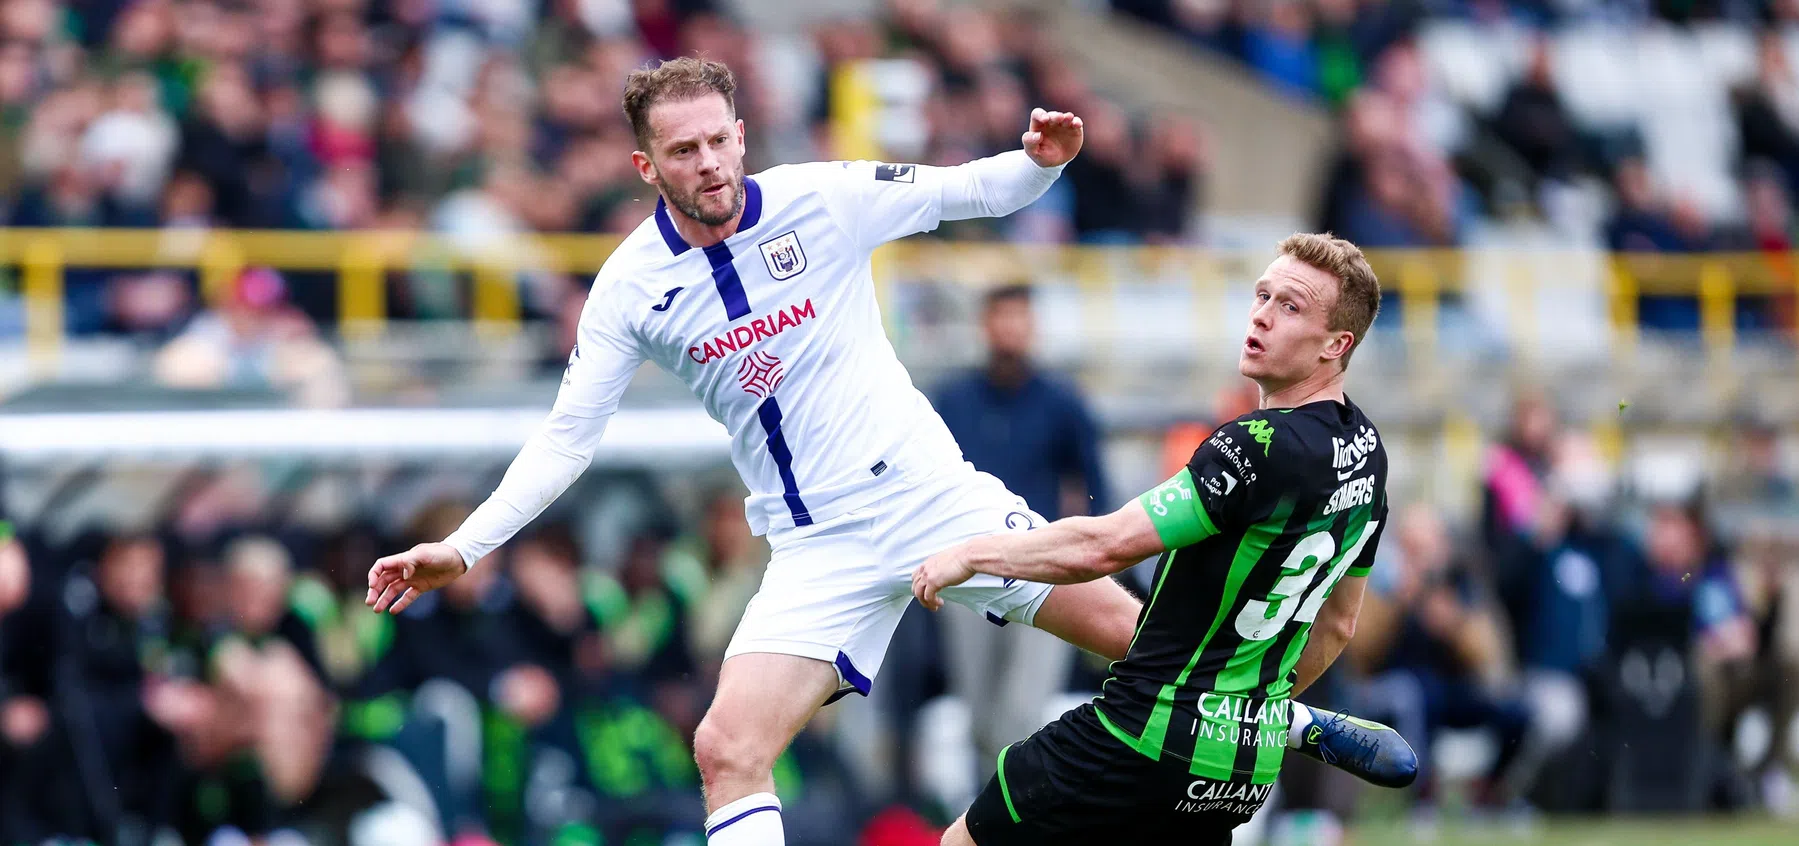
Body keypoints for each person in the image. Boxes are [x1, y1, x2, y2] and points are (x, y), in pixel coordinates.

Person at [365, 58, 1401, 846]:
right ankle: (1289, 720)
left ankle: (1296, 723)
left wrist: (1038, 163)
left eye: (721, 140)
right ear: (647, 166)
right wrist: (463, 545)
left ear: (739, 132)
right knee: (726, 750)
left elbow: (967, 192)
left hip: (927, 496)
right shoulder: (630, 289)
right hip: (812, 546)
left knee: (1138, 643)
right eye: (684, 154)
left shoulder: (819, 198)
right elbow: (566, 439)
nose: (712, 165)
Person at [914, 233, 1417, 845]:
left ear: (1337, 345)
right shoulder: (1369, 456)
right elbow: (1339, 626)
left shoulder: (1256, 445)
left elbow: (1105, 546)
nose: (1260, 314)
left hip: (1138, 737)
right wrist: (1249, 717)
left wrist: (971, 553)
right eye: (1262, 295)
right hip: (1241, 771)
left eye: (1290, 307)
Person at [932, 283, 1111, 781]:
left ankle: (1011, 821)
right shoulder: (955, 399)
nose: (1010, 329)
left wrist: (1088, 560)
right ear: (984, 325)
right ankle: (981, 818)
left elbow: (1096, 488)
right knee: (977, 711)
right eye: (1001, 317)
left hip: (1042, 569)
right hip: (967, 568)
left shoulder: (1060, 401)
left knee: (1021, 712)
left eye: (1019, 318)